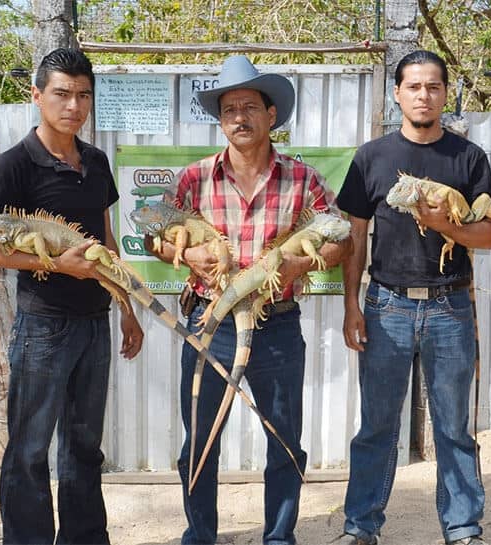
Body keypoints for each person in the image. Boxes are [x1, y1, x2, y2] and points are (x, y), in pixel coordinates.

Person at [148, 55, 351, 545]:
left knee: (284, 442)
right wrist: (187, 252)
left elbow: (340, 239)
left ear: (271, 115)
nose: (239, 117)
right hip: (208, 325)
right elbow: (155, 235)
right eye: (229, 109)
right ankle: (200, 536)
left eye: (249, 107)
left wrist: (298, 264)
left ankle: (278, 538)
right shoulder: (195, 178)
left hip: (276, 325)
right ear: (220, 120)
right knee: (199, 439)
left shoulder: (301, 180)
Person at [0, 48, 144, 544]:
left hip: (95, 322)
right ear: (38, 96)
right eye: (62, 93)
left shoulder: (96, 161)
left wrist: (127, 310)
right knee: (28, 449)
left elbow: (107, 246)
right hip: (43, 328)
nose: (73, 105)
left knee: (85, 447)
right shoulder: (14, 165)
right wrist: (52, 263)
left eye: (83, 94)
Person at [336, 50, 491, 545]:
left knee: (453, 428)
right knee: (377, 427)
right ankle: (361, 528)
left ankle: (463, 528)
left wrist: (444, 224)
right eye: (414, 86)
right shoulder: (372, 157)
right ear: (397, 93)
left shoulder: (468, 158)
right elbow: (354, 236)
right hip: (385, 305)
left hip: (450, 307)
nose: (423, 95)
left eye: (433, 86)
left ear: (445, 93)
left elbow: (488, 236)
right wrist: (351, 304)